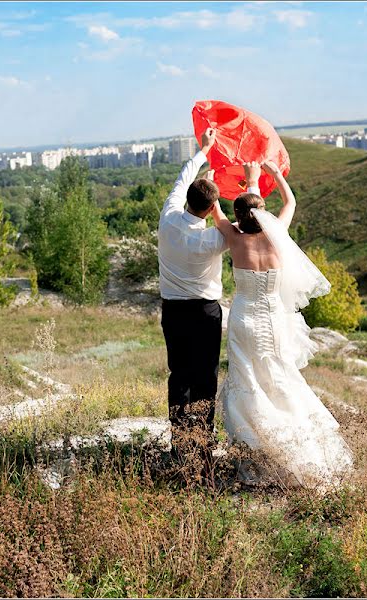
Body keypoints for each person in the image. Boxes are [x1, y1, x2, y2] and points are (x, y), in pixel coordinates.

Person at [209, 160, 354, 491]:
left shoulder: (234, 237)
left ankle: (254, 452)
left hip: (244, 319)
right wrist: (268, 175)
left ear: (239, 216)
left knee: (247, 378)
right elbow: (290, 203)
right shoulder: (278, 236)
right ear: (263, 215)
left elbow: (216, 212)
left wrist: (210, 181)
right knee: (278, 376)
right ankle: (296, 444)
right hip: (274, 320)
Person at [157, 128, 260, 459]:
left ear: (187, 199)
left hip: (172, 310)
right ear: (212, 208)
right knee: (205, 376)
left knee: (179, 376)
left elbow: (183, 176)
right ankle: (203, 442)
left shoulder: (168, 219)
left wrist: (204, 151)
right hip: (205, 313)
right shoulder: (216, 240)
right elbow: (248, 227)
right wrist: (251, 183)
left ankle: (179, 443)